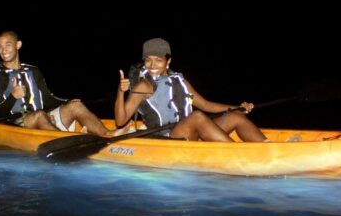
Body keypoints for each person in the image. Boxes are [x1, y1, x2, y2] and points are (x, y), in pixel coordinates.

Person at [114, 38, 269, 142]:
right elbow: (121, 121)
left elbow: (206, 105)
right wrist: (121, 92)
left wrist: (238, 108)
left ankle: (266, 147)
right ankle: (236, 154)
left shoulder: (179, 81)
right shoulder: (144, 86)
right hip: (168, 138)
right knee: (197, 117)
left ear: (168, 61)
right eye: (148, 60)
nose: (152, 66)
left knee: (235, 116)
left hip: (190, 132)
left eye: (158, 60)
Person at [0, 30, 126, 136]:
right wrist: (13, 97)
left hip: (43, 118)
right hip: (16, 124)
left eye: (8, 45)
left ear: (18, 45)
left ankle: (108, 135)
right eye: (0, 46)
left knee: (75, 105)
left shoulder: (33, 71)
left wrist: (68, 101)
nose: (4, 50)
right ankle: (67, 139)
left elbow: (48, 98)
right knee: (40, 114)